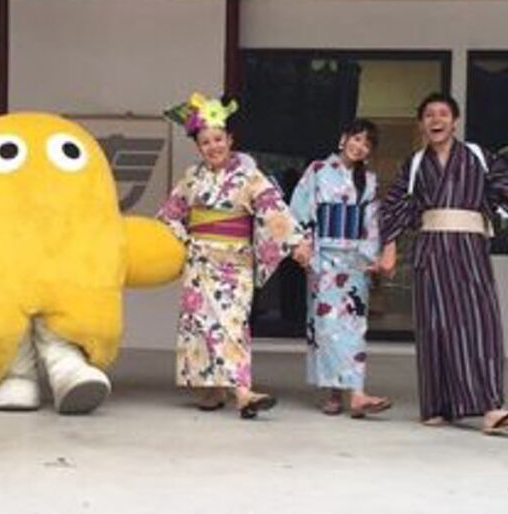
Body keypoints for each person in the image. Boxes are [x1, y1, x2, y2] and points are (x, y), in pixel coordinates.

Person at [379, 92, 508, 434]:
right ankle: (436, 406)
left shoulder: (480, 158)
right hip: (431, 250)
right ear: (421, 124)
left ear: (455, 121)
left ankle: (491, 408)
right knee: (434, 326)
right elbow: (393, 207)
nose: (436, 119)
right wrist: (389, 248)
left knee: (480, 325)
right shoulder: (414, 164)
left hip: (470, 251)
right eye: (429, 115)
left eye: (443, 113)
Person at [158, 92, 309, 419]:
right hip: (200, 261)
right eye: (205, 142)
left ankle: (242, 392)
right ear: (198, 147)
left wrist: (296, 241)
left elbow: (272, 207)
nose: (213, 146)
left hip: (234, 262)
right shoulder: (192, 177)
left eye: (218, 139)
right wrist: (185, 240)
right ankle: (213, 389)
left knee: (231, 324)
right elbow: (168, 215)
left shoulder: (249, 176)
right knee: (201, 325)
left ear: (230, 139)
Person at [289, 119, 392, 418]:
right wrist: (302, 245)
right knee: (327, 328)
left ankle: (357, 393)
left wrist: (371, 256)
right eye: (356, 139)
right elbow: (300, 208)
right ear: (344, 138)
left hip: (354, 261)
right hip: (323, 259)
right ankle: (334, 392)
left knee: (353, 327)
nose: (360, 146)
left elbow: (371, 221)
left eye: (367, 144)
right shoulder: (318, 170)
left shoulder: (368, 180)